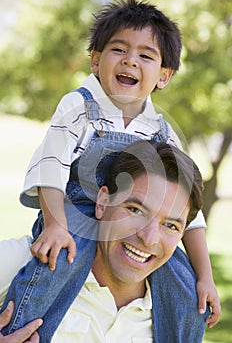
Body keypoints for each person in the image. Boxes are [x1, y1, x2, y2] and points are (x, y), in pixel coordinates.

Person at [0, 0, 221, 341]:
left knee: (185, 286)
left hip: (115, 218)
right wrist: (55, 227)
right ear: (95, 59)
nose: (131, 61)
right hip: (71, 215)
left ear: (164, 76)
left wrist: (204, 276)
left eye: (145, 56)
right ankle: (20, 327)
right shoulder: (78, 107)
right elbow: (51, 167)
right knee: (58, 263)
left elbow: (190, 214)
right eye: (119, 50)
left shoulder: (161, 131)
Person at [1, 141, 211, 342]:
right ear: (102, 202)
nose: (148, 239)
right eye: (135, 210)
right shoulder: (27, 263)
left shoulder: (181, 315)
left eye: (171, 226)